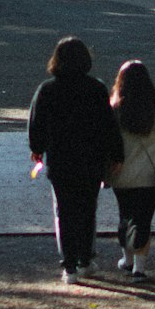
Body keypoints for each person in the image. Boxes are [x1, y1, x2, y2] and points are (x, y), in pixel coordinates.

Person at [28, 37, 123, 286]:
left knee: (64, 210)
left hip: (60, 159)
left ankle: (68, 265)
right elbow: (108, 125)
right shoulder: (96, 88)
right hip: (91, 159)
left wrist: (36, 149)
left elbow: (37, 125)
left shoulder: (47, 90)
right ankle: (85, 258)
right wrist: (116, 154)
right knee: (87, 209)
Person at [110, 60, 155, 282]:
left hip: (122, 173)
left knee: (125, 216)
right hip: (150, 173)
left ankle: (126, 259)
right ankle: (140, 266)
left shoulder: (116, 109)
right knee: (143, 219)